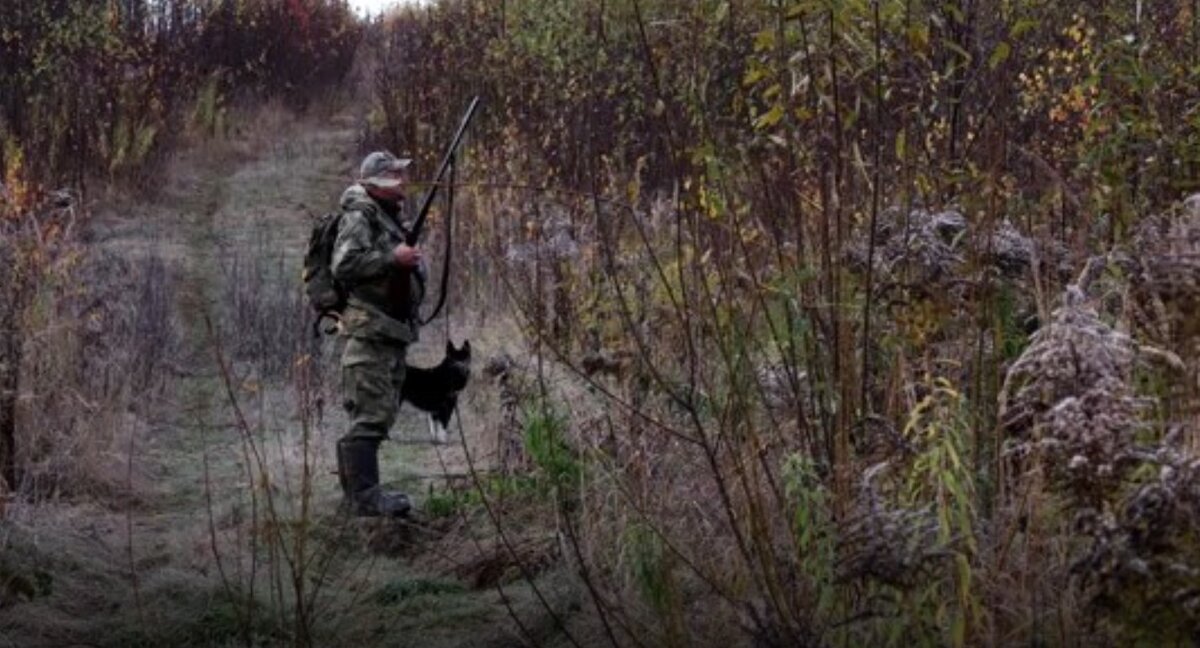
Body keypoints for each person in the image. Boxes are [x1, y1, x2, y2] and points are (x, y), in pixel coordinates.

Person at [332, 150, 426, 517]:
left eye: (402, 172)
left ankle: (360, 497)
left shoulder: (387, 216)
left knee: (378, 413)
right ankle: (364, 499)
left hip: (387, 331)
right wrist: (392, 259)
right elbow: (345, 265)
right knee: (369, 416)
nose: (403, 180)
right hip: (369, 332)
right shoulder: (359, 215)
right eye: (395, 175)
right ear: (376, 182)